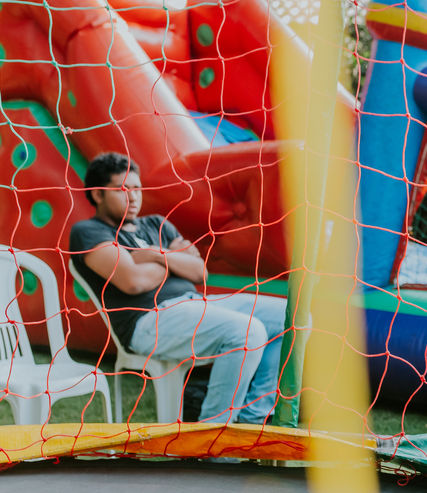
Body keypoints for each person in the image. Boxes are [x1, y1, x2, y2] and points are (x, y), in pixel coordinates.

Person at [70, 152, 286, 424]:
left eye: (136, 188)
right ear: (98, 195)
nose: (133, 196)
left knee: (290, 316)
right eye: (122, 189)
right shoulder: (88, 231)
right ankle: (212, 438)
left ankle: (253, 419)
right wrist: (174, 260)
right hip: (148, 321)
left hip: (196, 303)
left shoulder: (157, 224)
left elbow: (200, 272)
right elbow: (132, 281)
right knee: (247, 331)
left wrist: (154, 254)